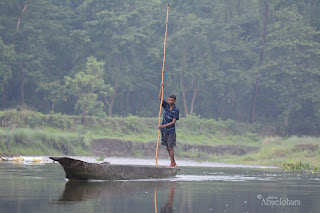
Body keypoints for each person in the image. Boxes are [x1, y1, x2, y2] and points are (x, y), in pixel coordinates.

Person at [158, 82, 179, 168]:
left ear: (175, 101)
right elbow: (160, 98)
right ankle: (172, 163)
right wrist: (161, 88)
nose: (170, 101)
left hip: (170, 131)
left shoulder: (176, 110)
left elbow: (173, 122)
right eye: (169, 100)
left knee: (170, 147)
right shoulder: (166, 106)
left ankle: (173, 163)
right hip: (164, 131)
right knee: (167, 147)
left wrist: (162, 126)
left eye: (171, 100)